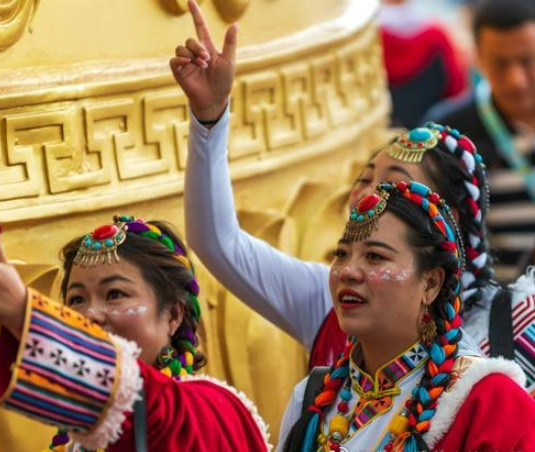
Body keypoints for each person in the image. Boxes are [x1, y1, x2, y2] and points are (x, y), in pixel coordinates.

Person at [171, 0, 535, 394]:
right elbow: (218, 242)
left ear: (449, 220)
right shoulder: (335, 298)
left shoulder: (515, 321)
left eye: (392, 183)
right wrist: (209, 117)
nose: (366, 195)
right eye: (363, 179)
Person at [0, 215, 271, 451]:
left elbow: (142, 401)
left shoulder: (209, 409)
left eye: (115, 294)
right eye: (76, 299)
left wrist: (20, 311)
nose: (90, 315)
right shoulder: (79, 439)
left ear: (173, 315)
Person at [279, 181, 535, 451]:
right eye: (341, 254)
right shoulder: (310, 399)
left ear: (431, 283)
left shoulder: (490, 403)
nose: (347, 271)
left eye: (375, 256)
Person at [424, 0, 535, 280]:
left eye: (527, 60)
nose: (516, 80)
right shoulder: (448, 135)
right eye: (500, 63)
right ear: (477, 59)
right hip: (490, 301)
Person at [380, 0, 467, 127]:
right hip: (436, 129)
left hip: (391, 129)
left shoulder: (371, 42)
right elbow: (456, 89)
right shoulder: (437, 36)